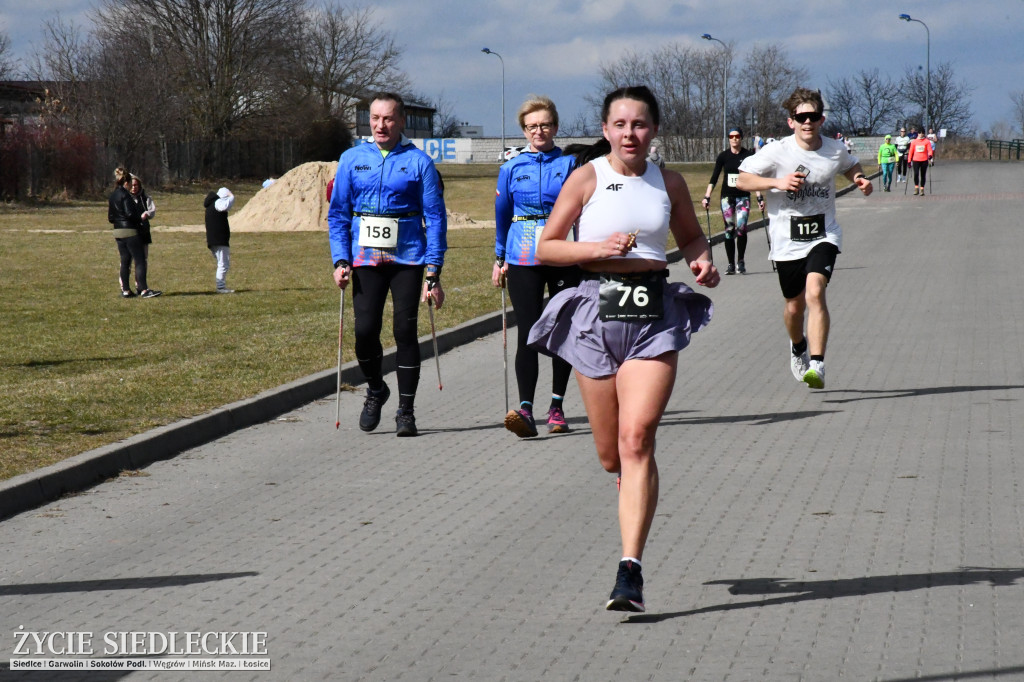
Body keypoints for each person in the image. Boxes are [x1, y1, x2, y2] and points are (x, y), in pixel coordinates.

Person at [528, 85, 719, 612]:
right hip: (595, 310)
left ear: (653, 129)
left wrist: (701, 260)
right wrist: (597, 248)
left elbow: (691, 237)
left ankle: (629, 570)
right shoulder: (586, 178)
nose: (629, 133)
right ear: (605, 129)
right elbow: (547, 246)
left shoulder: (669, 182)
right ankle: (628, 487)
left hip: (653, 315)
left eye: (639, 124)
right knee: (611, 454)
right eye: (620, 124)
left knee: (638, 440)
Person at [328, 92, 447, 438]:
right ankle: (377, 389)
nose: (381, 125)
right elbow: (338, 215)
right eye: (375, 118)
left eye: (389, 118)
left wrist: (433, 270)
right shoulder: (351, 159)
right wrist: (340, 259)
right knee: (365, 332)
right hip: (365, 258)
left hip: (408, 257)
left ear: (401, 122)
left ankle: (406, 411)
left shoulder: (419, 162)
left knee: (404, 332)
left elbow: (435, 218)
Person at [736, 86, 872, 390]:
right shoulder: (777, 151)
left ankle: (817, 364)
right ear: (791, 122)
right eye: (801, 118)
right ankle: (798, 346)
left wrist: (860, 178)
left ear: (822, 119)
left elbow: (850, 165)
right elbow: (742, 179)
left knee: (815, 292)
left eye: (813, 116)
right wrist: (778, 182)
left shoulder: (835, 148)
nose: (807, 122)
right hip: (787, 240)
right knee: (794, 308)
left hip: (824, 234)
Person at [493, 95, 580, 437]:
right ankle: (526, 410)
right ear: (524, 131)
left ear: (555, 127)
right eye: (532, 126)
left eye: (544, 125)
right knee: (528, 332)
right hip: (523, 257)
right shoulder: (511, 168)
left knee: (563, 330)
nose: (538, 131)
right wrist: (499, 258)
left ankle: (557, 407)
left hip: (562, 255)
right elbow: (502, 216)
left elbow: (583, 211)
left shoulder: (570, 165)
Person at [701, 126, 765, 275]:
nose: (734, 139)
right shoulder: (723, 156)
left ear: (741, 138)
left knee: (741, 228)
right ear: (728, 139)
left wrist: (759, 197)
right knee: (729, 229)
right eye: (731, 137)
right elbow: (714, 177)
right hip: (727, 197)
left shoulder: (748, 155)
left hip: (743, 197)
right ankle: (730, 264)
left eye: (737, 136)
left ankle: (740, 261)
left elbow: (754, 177)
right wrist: (707, 196)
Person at [108, 167, 161, 298]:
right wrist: (139, 219)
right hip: (130, 231)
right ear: (126, 182)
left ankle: (125, 290)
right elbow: (130, 214)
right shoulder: (125, 195)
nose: (132, 186)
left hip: (117, 231)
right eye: (130, 184)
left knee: (125, 261)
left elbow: (110, 217)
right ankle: (143, 289)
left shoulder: (113, 195)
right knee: (140, 259)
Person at [204, 187, 236, 293]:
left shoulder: (211, 205)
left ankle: (221, 286)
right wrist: (231, 196)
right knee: (223, 264)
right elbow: (225, 206)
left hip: (214, 239)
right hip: (219, 239)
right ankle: (221, 287)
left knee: (221, 263)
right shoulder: (218, 203)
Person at [128, 174, 157, 284]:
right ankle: (125, 287)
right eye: (132, 185)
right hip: (130, 232)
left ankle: (140, 284)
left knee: (142, 260)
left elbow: (152, 210)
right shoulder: (126, 198)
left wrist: (147, 214)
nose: (134, 187)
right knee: (128, 260)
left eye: (136, 185)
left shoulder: (145, 198)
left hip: (143, 232)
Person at [907, 130, 934, 196]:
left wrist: (930, 155)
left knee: (923, 175)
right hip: (916, 160)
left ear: (924, 134)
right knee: (916, 174)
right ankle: (916, 188)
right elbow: (911, 152)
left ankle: (922, 189)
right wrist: (909, 161)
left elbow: (930, 150)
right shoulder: (914, 142)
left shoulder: (926, 141)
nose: (921, 134)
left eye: (922, 133)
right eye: (919, 133)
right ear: (918, 134)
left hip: (924, 160)